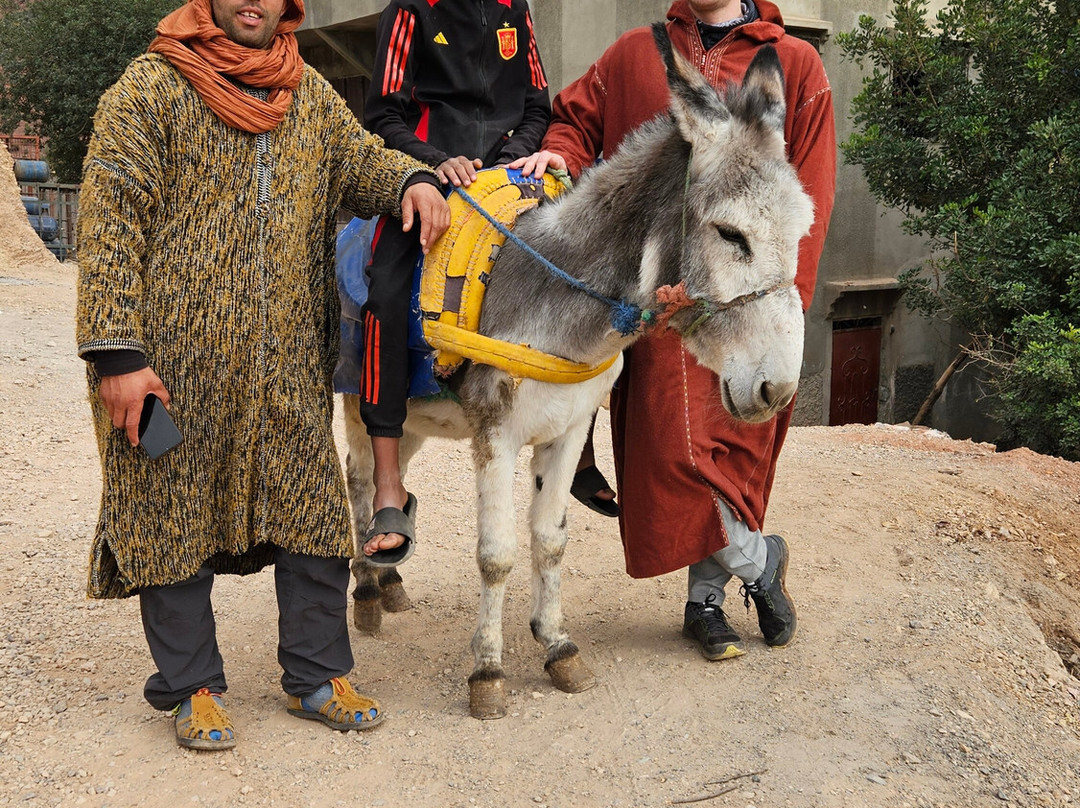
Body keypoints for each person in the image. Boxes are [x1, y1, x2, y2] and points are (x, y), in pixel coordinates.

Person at [75, 0, 449, 750]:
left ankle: (317, 675)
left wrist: (411, 177)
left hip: (287, 368)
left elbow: (360, 161)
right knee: (170, 516)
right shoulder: (150, 88)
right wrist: (117, 356)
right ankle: (192, 687)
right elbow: (109, 223)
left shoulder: (306, 93)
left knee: (310, 513)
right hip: (168, 370)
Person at [512, 0, 836, 659]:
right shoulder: (635, 54)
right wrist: (557, 156)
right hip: (660, 310)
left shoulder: (795, 64)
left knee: (734, 460)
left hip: (748, 313)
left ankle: (705, 603)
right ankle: (760, 561)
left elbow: (813, 195)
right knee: (671, 459)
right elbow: (574, 121)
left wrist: (786, 309)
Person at [356, 0, 552, 565]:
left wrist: (514, 157)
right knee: (386, 295)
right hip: (429, 181)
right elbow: (383, 115)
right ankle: (388, 486)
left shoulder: (516, 8)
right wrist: (434, 161)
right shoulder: (410, 9)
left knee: (582, 276)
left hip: (508, 180)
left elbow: (538, 106)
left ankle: (580, 452)